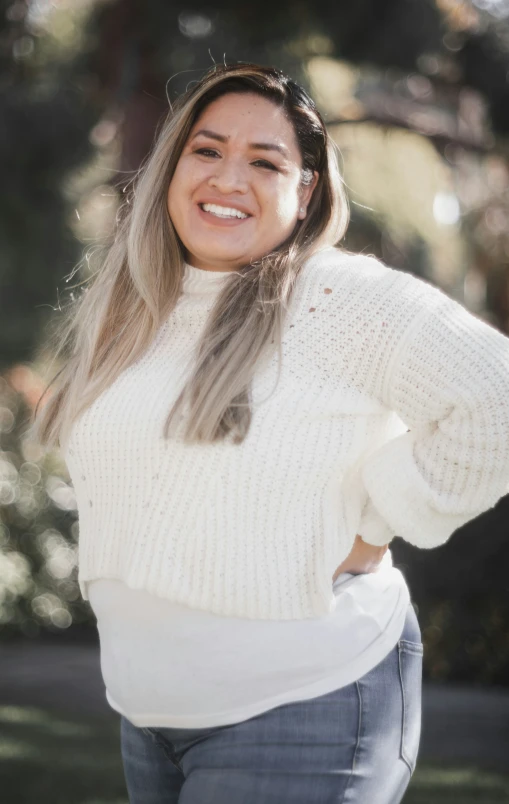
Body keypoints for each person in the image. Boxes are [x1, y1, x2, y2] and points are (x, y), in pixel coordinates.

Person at [31, 62, 509, 804]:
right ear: (170, 166)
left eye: (265, 162)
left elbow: (497, 398)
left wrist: (377, 520)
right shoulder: (134, 307)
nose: (229, 179)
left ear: (306, 188)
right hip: (148, 718)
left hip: (304, 704)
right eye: (207, 150)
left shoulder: (337, 296)